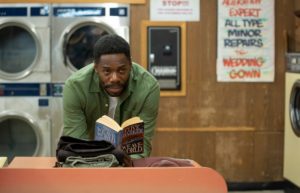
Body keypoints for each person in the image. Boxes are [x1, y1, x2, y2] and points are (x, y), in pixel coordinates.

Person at [62, 34, 160, 159]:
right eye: (107, 71)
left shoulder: (148, 88)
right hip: (89, 161)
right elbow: (77, 144)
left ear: (130, 64)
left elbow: (142, 147)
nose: (115, 78)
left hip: (128, 163)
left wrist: (122, 169)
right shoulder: (75, 87)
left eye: (121, 70)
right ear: (96, 67)